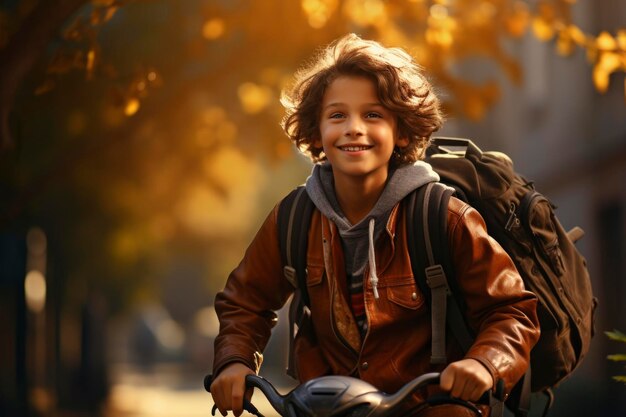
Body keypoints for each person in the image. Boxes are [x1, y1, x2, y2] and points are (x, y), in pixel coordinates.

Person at [210, 33, 539, 416]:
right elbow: (244, 301)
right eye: (337, 115)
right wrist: (234, 361)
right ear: (316, 131)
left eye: (373, 115)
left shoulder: (443, 216)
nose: (353, 127)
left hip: (432, 409)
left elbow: (512, 310)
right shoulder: (293, 218)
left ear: (400, 132)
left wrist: (484, 363)